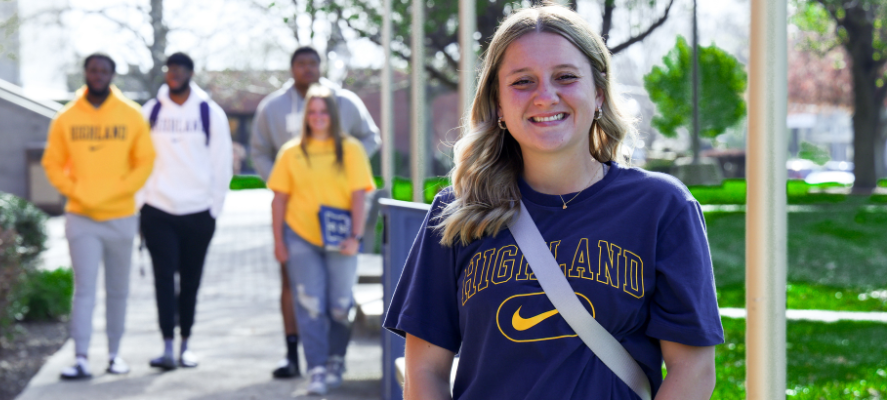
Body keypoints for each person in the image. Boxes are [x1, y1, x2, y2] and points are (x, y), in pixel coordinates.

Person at [382, 5, 724, 399]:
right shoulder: (456, 214)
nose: (545, 96)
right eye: (523, 81)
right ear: (498, 105)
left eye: (565, 77)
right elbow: (424, 371)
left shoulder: (661, 206)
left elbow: (693, 369)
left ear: (597, 93)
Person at [251, 46, 382, 379]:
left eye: (313, 63)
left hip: (338, 228)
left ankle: (335, 359)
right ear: (291, 67)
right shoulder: (278, 120)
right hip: (299, 227)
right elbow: (260, 154)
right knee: (307, 300)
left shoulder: (347, 112)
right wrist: (282, 181)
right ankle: (311, 365)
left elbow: (366, 160)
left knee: (339, 303)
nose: (318, 117)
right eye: (300, 63)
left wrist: (344, 166)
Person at [42, 53, 156, 380]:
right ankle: (80, 358)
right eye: (93, 70)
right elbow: (52, 163)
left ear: (112, 74)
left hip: (121, 216)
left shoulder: (132, 115)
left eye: (104, 70)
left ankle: (115, 354)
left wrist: (119, 190)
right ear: (85, 73)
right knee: (85, 289)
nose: (98, 75)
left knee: (118, 290)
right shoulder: (65, 118)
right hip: (82, 217)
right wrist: (77, 190)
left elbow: (145, 161)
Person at [138, 52, 234, 370]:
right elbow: (138, 161)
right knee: (163, 279)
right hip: (158, 209)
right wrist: (141, 203)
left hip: (198, 213)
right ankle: (166, 346)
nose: (173, 73)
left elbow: (222, 164)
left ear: (190, 73)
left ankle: (185, 345)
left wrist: (213, 208)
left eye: (179, 69)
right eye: (169, 69)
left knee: (190, 280)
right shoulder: (150, 112)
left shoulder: (210, 113)